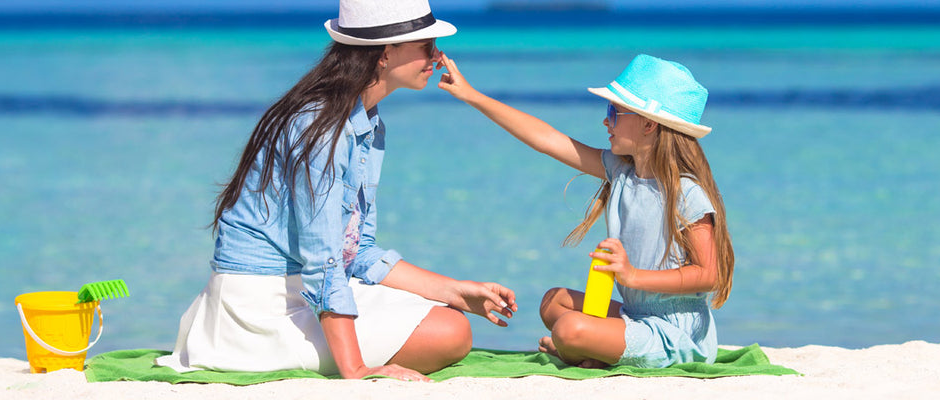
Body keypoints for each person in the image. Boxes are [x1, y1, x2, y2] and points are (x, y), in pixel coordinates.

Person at [155, 0, 517, 382]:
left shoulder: (367, 123)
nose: (439, 56)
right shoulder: (322, 127)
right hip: (259, 307)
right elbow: (323, 260)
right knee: (449, 333)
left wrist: (458, 291)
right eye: (426, 46)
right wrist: (356, 369)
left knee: (451, 317)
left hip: (305, 293)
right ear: (384, 54)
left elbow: (356, 251)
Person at [437, 53, 736, 368]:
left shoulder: (686, 193)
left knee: (568, 328)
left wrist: (632, 276)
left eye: (614, 111)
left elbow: (708, 275)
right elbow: (547, 139)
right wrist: (471, 95)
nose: (606, 121)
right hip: (635, 316)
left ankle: (588, 350)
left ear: (649, 124)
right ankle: (594, 350)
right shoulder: (621, 172)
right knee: (554, 302)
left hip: (675, 335)